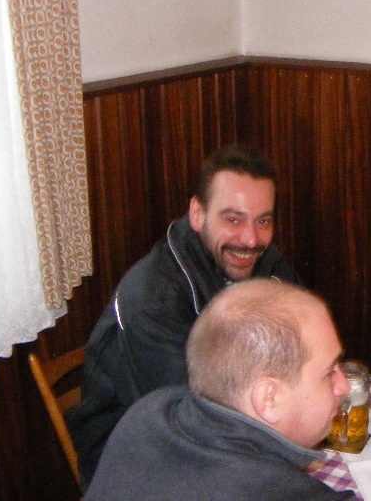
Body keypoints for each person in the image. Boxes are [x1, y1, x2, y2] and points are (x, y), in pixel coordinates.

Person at [85, 279, 371, 501]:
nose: (343, 386)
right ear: (269, 399)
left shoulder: (150, 412)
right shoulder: (273, 490)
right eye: (328, 373)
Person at [68, 144, 302, 489]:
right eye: (233, 219)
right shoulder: (154, 301)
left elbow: (300, 342)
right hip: (134, 466)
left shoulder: (261, 262)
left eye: (263, 220)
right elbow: (194, 424)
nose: (251, 238)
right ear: (197, 214)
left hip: (222, 434)